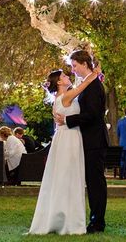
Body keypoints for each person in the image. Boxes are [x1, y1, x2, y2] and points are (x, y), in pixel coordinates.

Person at [29, 63, 100, 235]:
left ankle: (61, 216)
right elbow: (83, 84)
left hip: (65, 137)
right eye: (64, 76)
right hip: (69, 138)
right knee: (69, 175)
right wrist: (95, 73)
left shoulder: (60, 99)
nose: (69, 77)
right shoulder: (66, 96)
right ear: (59, 83)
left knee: (63, 176)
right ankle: (68, 220)